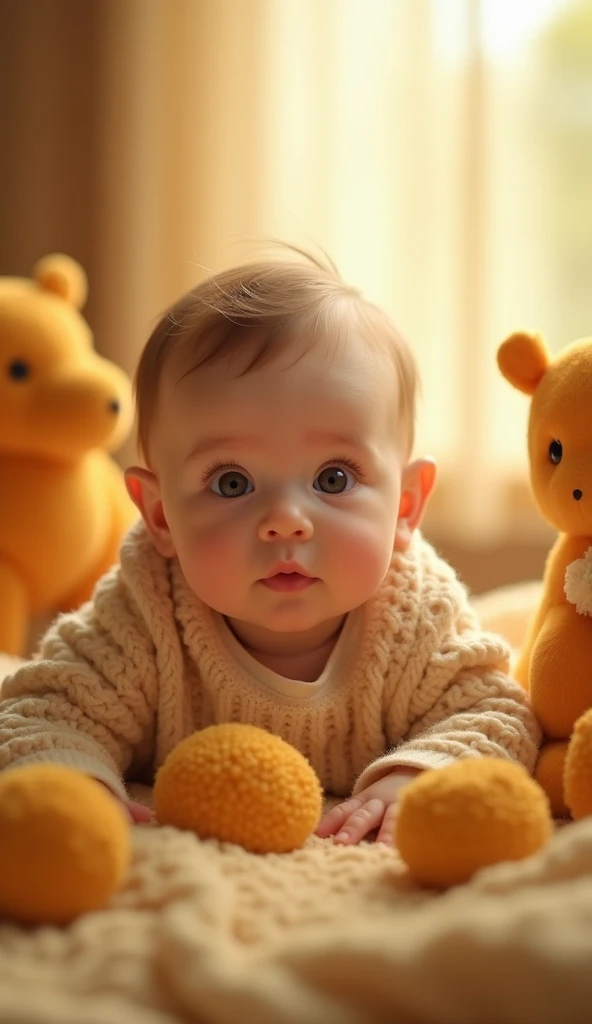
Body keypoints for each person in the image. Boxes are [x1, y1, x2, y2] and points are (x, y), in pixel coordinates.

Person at [0, 250, 541, 846]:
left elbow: (497, 713)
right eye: (232, 482)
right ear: (161, 517)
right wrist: (79, 783)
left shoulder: (415, 614)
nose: (286, 523)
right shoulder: (143, 611)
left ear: (406, 506)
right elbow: (39, 711)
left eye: (333, 478)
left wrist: (418, 775)